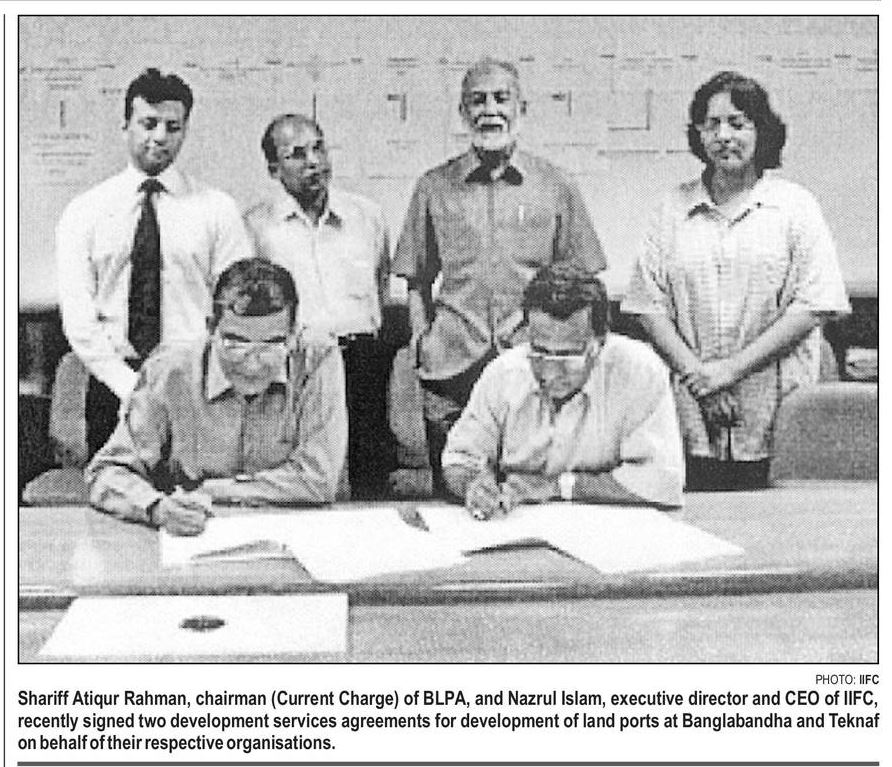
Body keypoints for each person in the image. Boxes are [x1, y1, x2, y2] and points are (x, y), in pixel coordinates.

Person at [622, 71, 850, 490]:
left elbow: (813, 305)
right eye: (712, 124)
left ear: (761, 131)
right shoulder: (671, 209)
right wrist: (702, 380)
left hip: (777, 410)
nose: (724, 135)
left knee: (780, 518)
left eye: (738, 123)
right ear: (698, 134)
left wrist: (728, 372)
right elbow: (647, 307)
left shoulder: (795, 207)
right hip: (691, 410)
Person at [393, 57, 606, 495]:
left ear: (521, 109)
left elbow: (584, 283)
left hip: (531, 363)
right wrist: (422, 342)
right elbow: (416, 279)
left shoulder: (556, 185)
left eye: (501, 99)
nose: (489, 110)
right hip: (451, 366)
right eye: (477, 101)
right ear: (463, 112)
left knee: (525, 491)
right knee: (455, 491)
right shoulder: (433, 187)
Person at [56, 68, 252, 457]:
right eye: (148, 124)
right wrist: (130, 387)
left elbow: (237, 307)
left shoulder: (218, 210)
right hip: (113, 384)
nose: (160, 136)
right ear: (125, 126)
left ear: (185, 131)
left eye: (172, 127)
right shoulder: (84, 212)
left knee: (199, 487)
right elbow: (79, 318)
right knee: (117, 487)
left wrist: (201, 381)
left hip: (195, 384)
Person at [86, 258, 347, 536]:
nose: (252, 365)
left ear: (293, 335)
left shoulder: (317, 360)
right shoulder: (170, 370)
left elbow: (318, 480)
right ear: (211, 329)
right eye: (236, 343)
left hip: (296, 535)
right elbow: (107, 472)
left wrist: (210, 490)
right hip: (192, 535)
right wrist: (156, 508)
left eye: (271, 345)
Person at [442, 264, 683, 519]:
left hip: (609, 527)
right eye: (540, 352)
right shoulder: (503, 374)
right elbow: (459, 459)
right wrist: (472, 484)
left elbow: (662, 481)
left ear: (600, 341)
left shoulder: (639, 371)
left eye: (568, 355)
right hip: (516, 525)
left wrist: (557, 486)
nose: (551, 373)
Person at [245, 114, 396, 499]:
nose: (313, 161)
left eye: (318, 148)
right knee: (308, 476)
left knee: (371, 475)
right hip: (302, 366)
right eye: (297, 154)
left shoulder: (367, 216)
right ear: (274, 169)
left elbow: (380, 284)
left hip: (363, 361)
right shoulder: (256, 227)